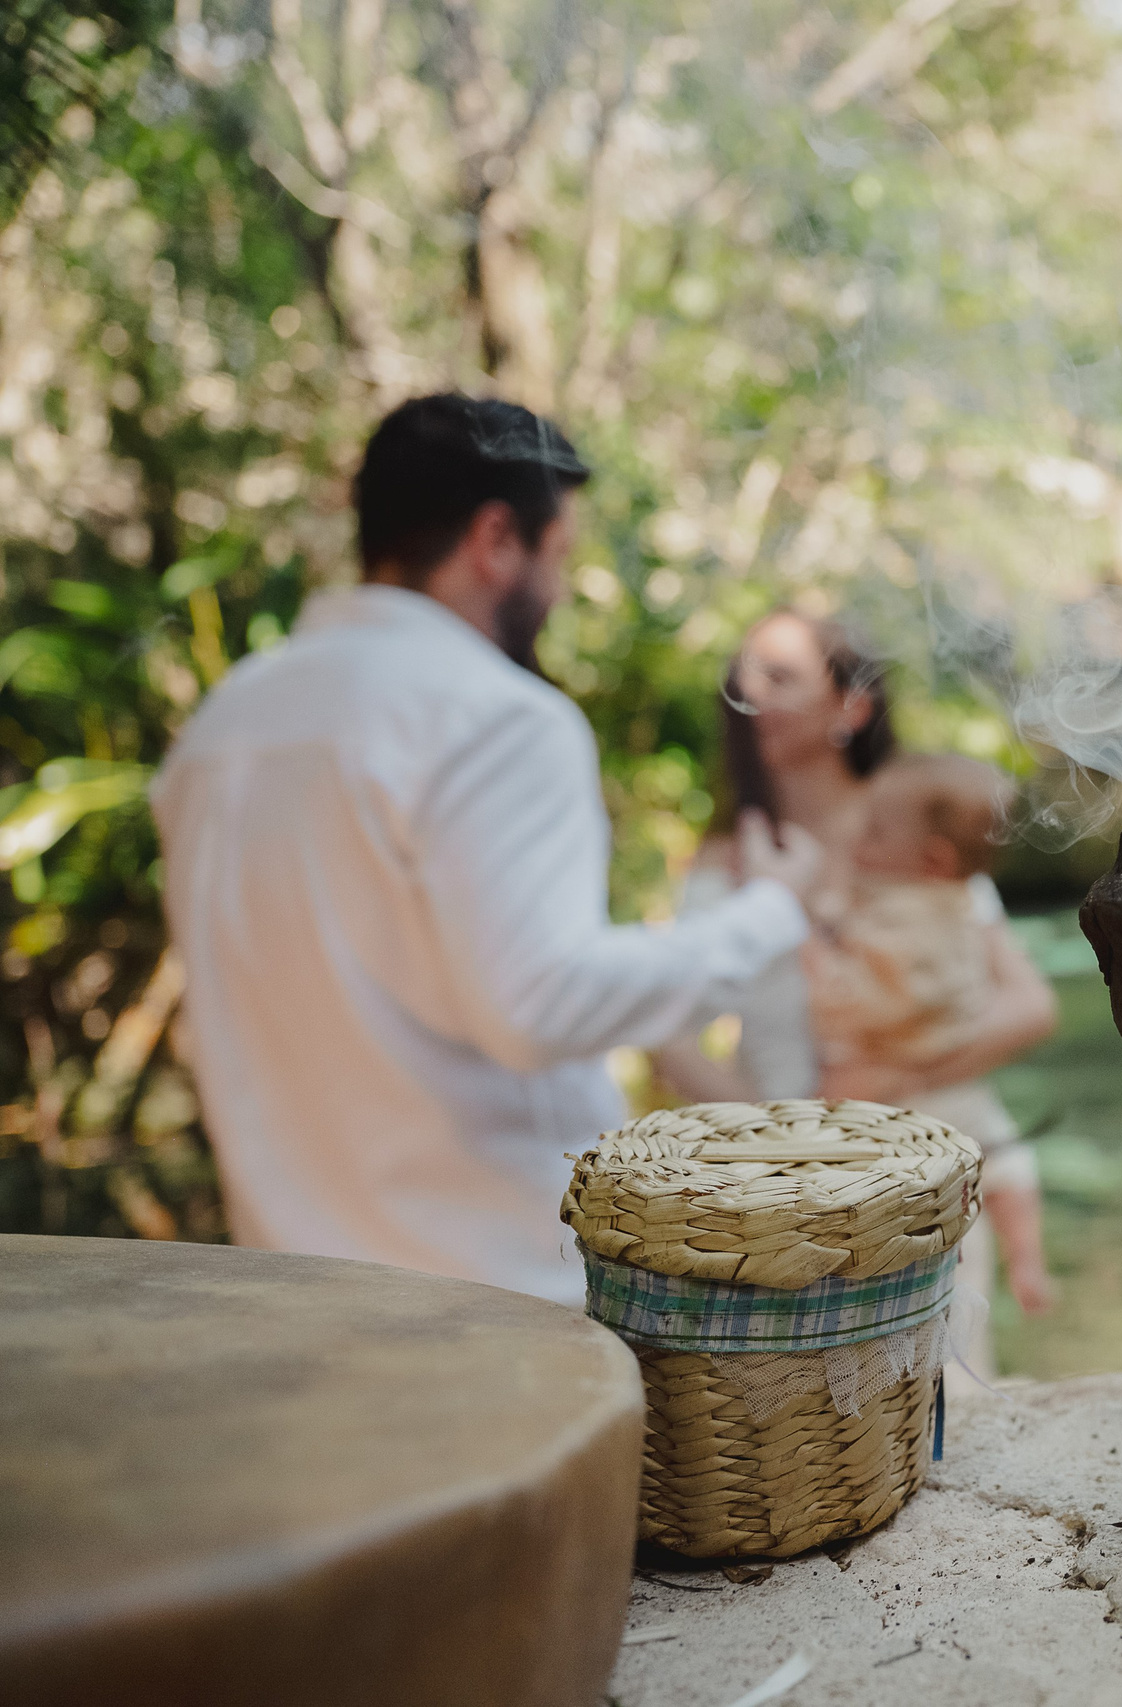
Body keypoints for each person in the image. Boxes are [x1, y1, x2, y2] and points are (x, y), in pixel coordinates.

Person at [153, 395, 824, 1305]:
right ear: (497, 538)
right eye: (558, 558)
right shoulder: (495, 717)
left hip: (294, 1301)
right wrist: (769, 912)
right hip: (496, 1312)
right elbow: (543, 1001)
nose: (557, 591)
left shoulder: (222, 727)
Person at [658, 612, 1059, 1328]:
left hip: (927, 1191)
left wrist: (897, 1081)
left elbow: (1029, 1004)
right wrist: (776, 1140)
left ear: (853, 703)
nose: (746, 691)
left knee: (944, 1412)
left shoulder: (917, 838)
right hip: (785, 1205)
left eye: (778, 676)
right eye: (741, 674)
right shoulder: (722, 862)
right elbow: (667, 1038)